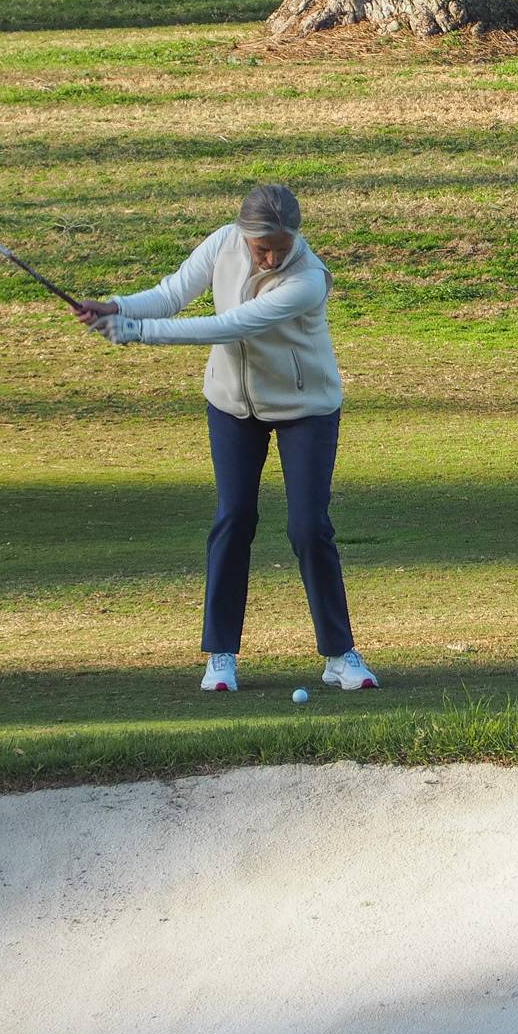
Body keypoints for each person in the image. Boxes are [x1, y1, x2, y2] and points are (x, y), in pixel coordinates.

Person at [73, 184, 378, 694]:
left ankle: (339, 654)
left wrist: (135, 333)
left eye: (280, 246)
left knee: (308, 526)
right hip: (232, 406)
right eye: (262, 247)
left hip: (307, 408)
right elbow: (172, 294)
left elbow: (230, 326)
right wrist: (115, 306)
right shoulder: (222, 244)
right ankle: (220, 655)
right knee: (234, 518)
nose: (271, 256)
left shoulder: (306, 280)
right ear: (244, 234)